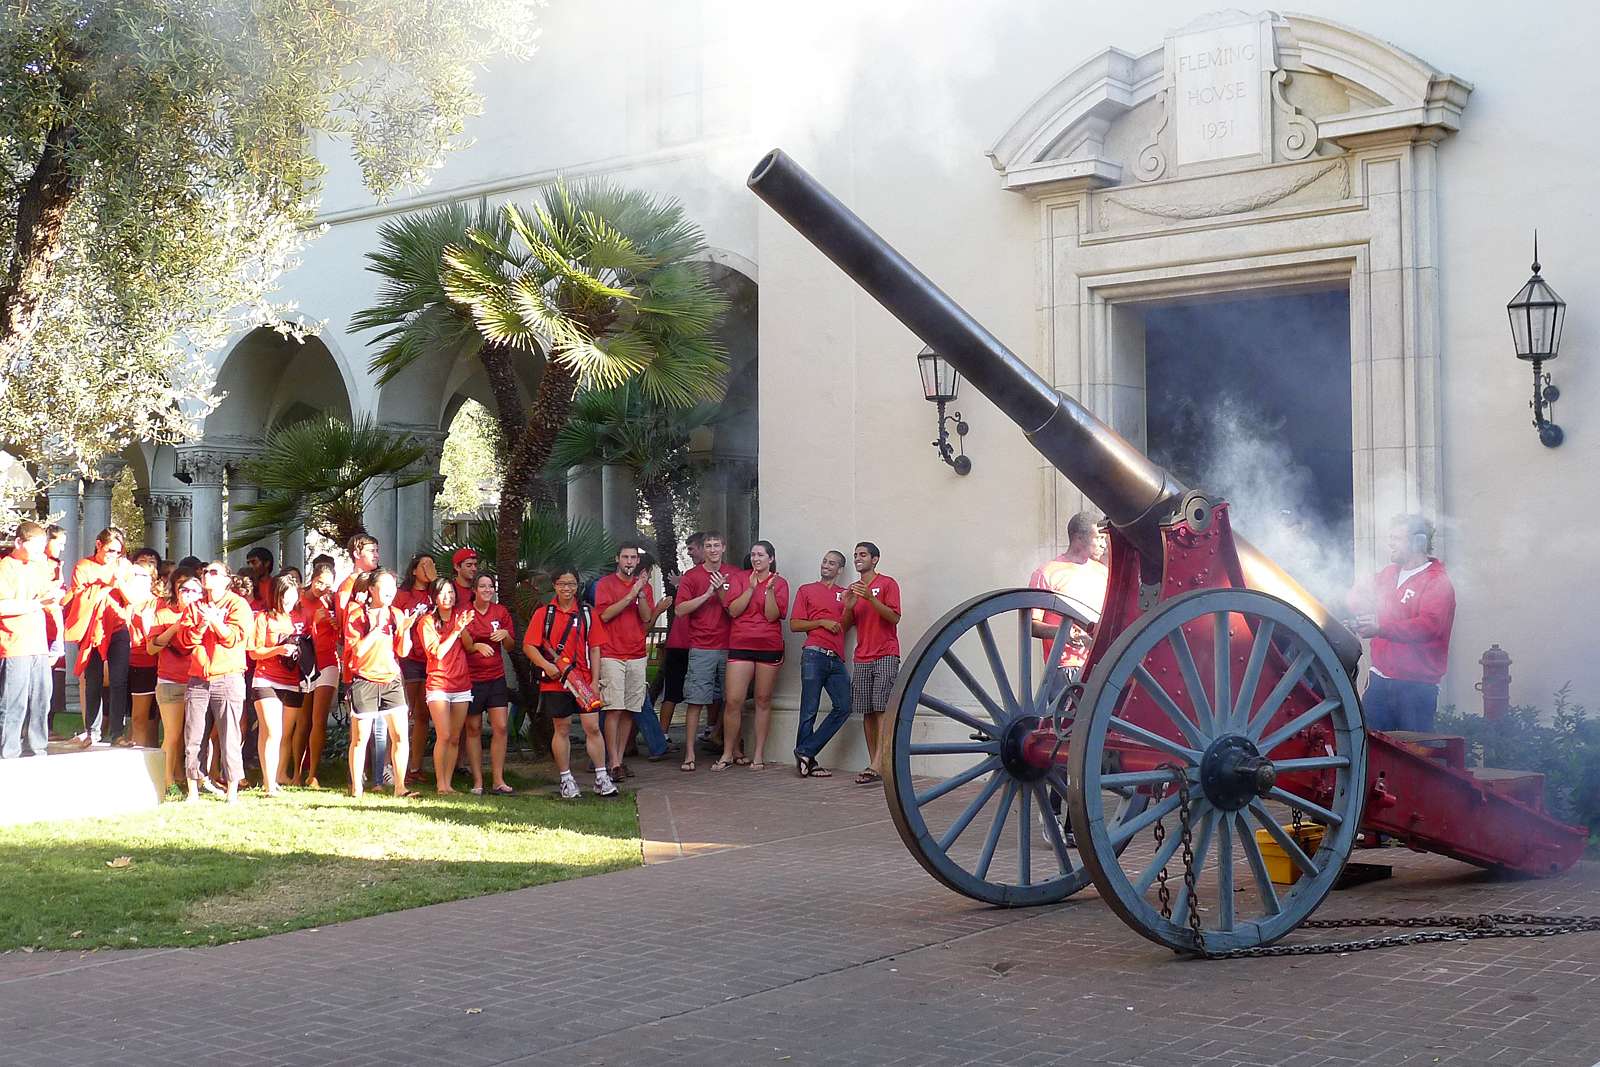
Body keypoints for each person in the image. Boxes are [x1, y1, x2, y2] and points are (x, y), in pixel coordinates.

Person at [1027, 512, 1109, 836]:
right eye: (1097, 537)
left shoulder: (1105, 574)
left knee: (1088, 744)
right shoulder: (1047, 573)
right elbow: (1031, 623)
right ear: (1079, 538)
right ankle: (1056, 813)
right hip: (1064, 666)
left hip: (1099, 666)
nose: (1103, 542)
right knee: (1066, 742)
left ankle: (1074, 822)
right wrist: (1065, 633)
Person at [1349, 514, 1457, 733]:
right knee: (1371, 750)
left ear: (1418, 542)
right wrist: (1356, 617)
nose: (1390, 543)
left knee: (1412, 755)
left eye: (1397, 538)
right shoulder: (1387, 575)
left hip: (1416, 688)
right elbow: (1360, 599)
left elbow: (1428, 626)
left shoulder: (1438, 582)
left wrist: (1381, 628)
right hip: (1379, 682)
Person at [523, 568, 615, 799]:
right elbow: (529, 646)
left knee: (592, 727)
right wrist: (547, 665)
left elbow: (595, 648)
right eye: (562, 584)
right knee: (561, 728)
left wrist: (595, 680)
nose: (567, 588)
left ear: (577, 586)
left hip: (582, 681)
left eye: (572, 584)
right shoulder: (544, 614)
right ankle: (566, 778)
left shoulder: (586, 613)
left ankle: (602, 777)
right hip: (555, 682)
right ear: (554, 585)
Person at [343, 568, 423, 798]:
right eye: (384, 587)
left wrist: (406, 631)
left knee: (399, 735)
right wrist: (376, 629)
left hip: (392, 679)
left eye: (393, 587)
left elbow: (403, 651)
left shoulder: (396, 614)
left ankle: (400, 787)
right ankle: (357, 787)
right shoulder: (358, 614)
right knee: (360, 738)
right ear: (371, 589)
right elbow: (356, 651)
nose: (390, 592)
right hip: (364, 679)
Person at [178, 560, 253, 802]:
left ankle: (232, 792)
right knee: (194, 735)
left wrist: (216, 621)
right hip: (198, 678)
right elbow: (186, 640)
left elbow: (235, 638)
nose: (206, 575)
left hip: (228, 677)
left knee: (230, 735)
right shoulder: (195, 606)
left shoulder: (238, 604)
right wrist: (202, 623)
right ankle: (193, 792)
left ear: (226, 579)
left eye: (213, 572)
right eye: (205, 572)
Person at [719, 540, 788, 771]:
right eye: (753, 555)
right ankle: (728, 753)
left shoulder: (780, 583)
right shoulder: (740, 578)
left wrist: (768, 591)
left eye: (760, 555)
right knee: (733, 701)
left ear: (771, 558)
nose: (756, 559)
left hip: (768, 645)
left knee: (762, 700)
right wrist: (750, 588)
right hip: (740, 643)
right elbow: (733, 611)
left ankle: (758, 755)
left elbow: (772, 616)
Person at [673, 532, 735, 772]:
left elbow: (736, 608)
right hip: (702, 647)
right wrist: (708, 594)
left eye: (716, 545)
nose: (712, 550)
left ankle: (732, 750)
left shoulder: (734, 574)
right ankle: (689, 753)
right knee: (696, 700)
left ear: (723, 547)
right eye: (708, 546)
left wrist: (722, 593)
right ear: (703, 549)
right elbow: (680, 610)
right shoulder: (692, 576)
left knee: (732, 701)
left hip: (730, 646)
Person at [593, 542, 655, 781]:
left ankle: (618, 761)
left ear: (638, 562)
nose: (629, 561)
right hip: (611, 653)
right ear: (617, 559)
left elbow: (647, 617)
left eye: (633, 558)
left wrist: (640, 594)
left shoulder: (644, 587)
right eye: (625, 557)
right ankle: (613, 761)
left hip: (637, 653)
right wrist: (630, 594)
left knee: (630, 709)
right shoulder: (606, 584)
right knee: (613, 709)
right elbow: (605, 615)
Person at [789, 550, 853, 778]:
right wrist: (821, 622)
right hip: (814, 654)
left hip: (836, 658)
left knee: (845, 706)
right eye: (825, 561)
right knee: (809, 710)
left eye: (832, 563)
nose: (826, 565)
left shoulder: (845, 594)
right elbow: (794, 624)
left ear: (840, 569)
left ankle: (805, 751)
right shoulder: (806, 590)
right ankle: (809, 763)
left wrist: (848, 607)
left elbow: (845, 625)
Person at [0, 522, 61, 759]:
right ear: (19, 543)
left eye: (42, 548)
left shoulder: (40, 567)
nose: (39, 554)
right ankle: (8, 752)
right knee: (14, 702)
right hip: (14, 644)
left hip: (39, 643)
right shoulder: (6, 568)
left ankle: (38, 748)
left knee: (41, 699)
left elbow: (48, 598)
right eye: (35, 548)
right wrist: (36, 604)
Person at [842, 541, 901, 786]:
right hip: (862, 655)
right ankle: (875, 762)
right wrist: (848, 607)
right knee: (867, 710)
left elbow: (894, 616)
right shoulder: (853, 589)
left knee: (881, 708)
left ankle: (879, 763)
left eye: (863, 555)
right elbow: (845, 626)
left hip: (885, 652)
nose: (858, 558)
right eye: (856, 555)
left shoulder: (887, 583)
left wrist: (871, 599)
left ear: (875, 559)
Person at [248, 574, 313, 796]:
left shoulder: (299, 617)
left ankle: (279, 775)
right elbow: (254, 652)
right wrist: (277, 649)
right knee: (271, 731)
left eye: (292, 597)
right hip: (266, 678)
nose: (289, 602)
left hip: (293, 680)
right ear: (276, 595)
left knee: (285, 733)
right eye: (284, 597)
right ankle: (268, 784)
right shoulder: (264, 618)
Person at [461, 572, 515, 794]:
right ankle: (478, 781)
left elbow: (511, 646)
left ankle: (498, 779)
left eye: (490, 586)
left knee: (500, 727)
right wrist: (476, 646)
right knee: (473, 728)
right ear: (474, 589)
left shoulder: (500, 611)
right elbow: (463, 643)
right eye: (482, 586)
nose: (487, 590)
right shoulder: (465, 612)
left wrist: (505, 635)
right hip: (472, 678)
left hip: (495, 677)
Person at [419, 577, 474, 794]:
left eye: (451, 593)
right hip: (439, 683)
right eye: (443, 593)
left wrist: (465, 628)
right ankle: (440, 784)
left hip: (461, 683)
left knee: (454, 737)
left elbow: (468, 646)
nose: (447, 597)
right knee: (443, 734)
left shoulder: (459, 617)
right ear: (434, 596)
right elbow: (437, 653)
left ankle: (448, 784)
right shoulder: (427, 622)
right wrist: (455, 630)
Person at [148, 566, 201, 792]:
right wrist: (175, 627)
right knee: (172, 734)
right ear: (176, 592)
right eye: (183, 589)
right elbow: (151, 648)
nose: (187, 594)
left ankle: (197, 779)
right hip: (170, 681)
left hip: (198, 681)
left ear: (201, 594)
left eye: (193, 590)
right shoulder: (164, 614)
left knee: (197, 734)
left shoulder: (205, 614)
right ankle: (167, 781)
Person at [655, 532, 705, 751]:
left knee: (709, 690)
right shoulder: (690, 576)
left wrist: (682, 582)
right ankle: (661, 735)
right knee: (672, 690)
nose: (689, 552)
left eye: (692, 548)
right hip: (680, 642)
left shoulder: (710, 576)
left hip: (700, 643)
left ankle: (711, 730)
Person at [394, 553, 436, 786]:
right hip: (408, 658)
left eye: (432, 564)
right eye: (424, 565)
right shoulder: (402, 596)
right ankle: (396, 765)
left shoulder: (435, 595)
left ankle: (416, 766)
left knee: (423, 715)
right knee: (404, 712)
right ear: (413, 570)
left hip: (429, 659)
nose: (429, 568)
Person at [299, 559, 342, 788]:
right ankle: (296, 771)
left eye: (328, 585)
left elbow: (342, 634)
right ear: (313, 578)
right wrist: (314, 622)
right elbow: (297, 630)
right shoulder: (299, 598)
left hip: (327, 661)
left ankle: (313, 773)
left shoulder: (332, 601)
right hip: (306, 662)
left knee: (318, 719)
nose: (323, 588)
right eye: (320, 583)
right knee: (302, 719)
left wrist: (335, 623)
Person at [117, 560, 161, 749]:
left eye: (139, 576)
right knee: (131, 717)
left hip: (146, 663)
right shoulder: (128, 603)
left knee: (140, 718)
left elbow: (152, 635)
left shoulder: (153, 603)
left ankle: (141, 756)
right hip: (126, 661)